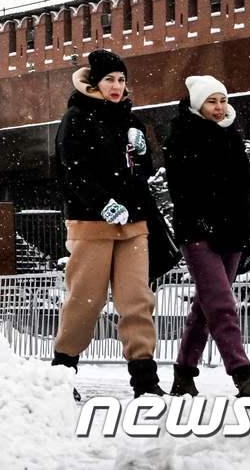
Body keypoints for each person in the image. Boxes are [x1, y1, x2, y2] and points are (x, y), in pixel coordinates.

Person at [50, 49, 163, 397]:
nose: (117, 86)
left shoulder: (131, 121)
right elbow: (72, 171)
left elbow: (145, 171)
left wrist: (143, 154)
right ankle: (62, 375)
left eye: (121, 80)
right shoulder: (77, 117)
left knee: (137, 301)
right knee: (85, 301)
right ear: (94, 82)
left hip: (134, 224)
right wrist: (103, 204)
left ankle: (146, 381)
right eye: (110, 79)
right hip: (91, 224)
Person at [162, 75, 250, 400]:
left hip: (232, 230)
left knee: (205, 306)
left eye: (222, 100)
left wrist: (244, 215)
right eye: (212, 101)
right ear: (198, 103)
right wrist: (205, 218)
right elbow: (181, 188)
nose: (219, 107)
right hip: (198, 231)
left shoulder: (231, 135)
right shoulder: (182, 135)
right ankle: (242, 376)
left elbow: (247, 182)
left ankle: (184, 374)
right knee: (222, 305)